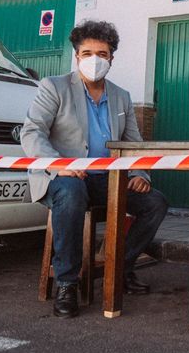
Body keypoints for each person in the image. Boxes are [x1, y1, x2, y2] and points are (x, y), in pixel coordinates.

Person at [21, 20, 168, 318]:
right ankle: (67, 283)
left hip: (105, 179)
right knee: (73, 193)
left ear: (111, 58)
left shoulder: (122, 97)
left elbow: (133, 144)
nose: (95, 60)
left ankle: (120, 268)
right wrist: (58, 164)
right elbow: (32, 132)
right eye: (87, 53)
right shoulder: (54, 87)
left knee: (155, 202)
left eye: (102, 53)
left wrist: (139, 174)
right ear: (76, 56)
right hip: (61, 177)